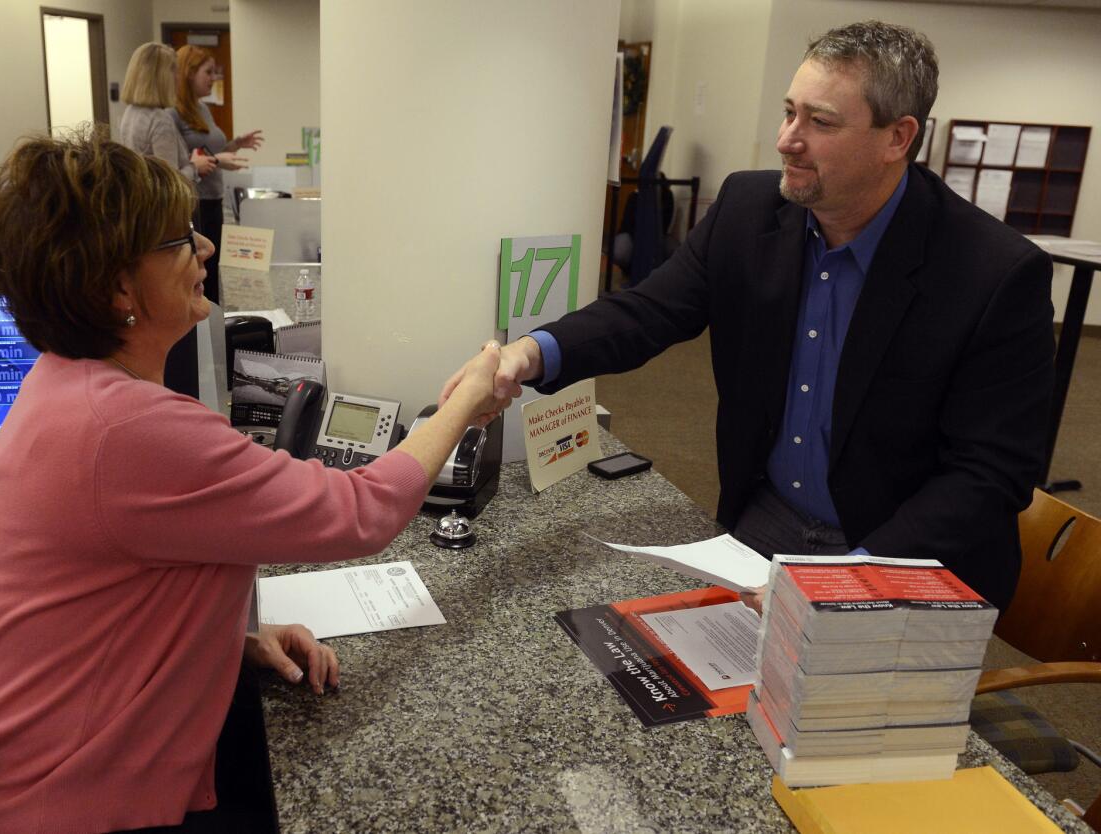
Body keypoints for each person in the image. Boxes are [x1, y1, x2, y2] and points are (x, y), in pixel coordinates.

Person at [0, 129, 503, 834]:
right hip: (68, 807)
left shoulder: (64, 390)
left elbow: (96, 598)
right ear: (120, 283)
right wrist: (465, 399)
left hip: (24, 779)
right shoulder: (127, 431)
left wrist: (232, 637)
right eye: (179, 239)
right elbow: (363, 511)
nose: (204, 249)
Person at [441, 21, 1055, 612]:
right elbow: (649, 311)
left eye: (821, 122)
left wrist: (850, 577)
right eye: (791, 112)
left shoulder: (993, 273)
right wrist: (527, 354)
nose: (788, 138)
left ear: (897, 138)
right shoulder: (747, 208)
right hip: (766, 522)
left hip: (903, 557)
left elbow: (990, 473)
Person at [172, 45, 263, 302]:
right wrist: (215, 158)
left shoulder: (202, 108)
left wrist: (234, 145)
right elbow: (188, 162)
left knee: (213, 276)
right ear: (189, 73)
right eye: (208, 72)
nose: (213, 78)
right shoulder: (172, 114)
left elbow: (210, 153)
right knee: (202, 276)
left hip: (212, 199)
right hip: (194, 201)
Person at [117, 42, 217, 187]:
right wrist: (195, 167)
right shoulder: (159, 120)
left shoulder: (130, 112)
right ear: (163, 76)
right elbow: (169, 183)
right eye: (175, 71)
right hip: (165, 207)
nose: (178, 77)